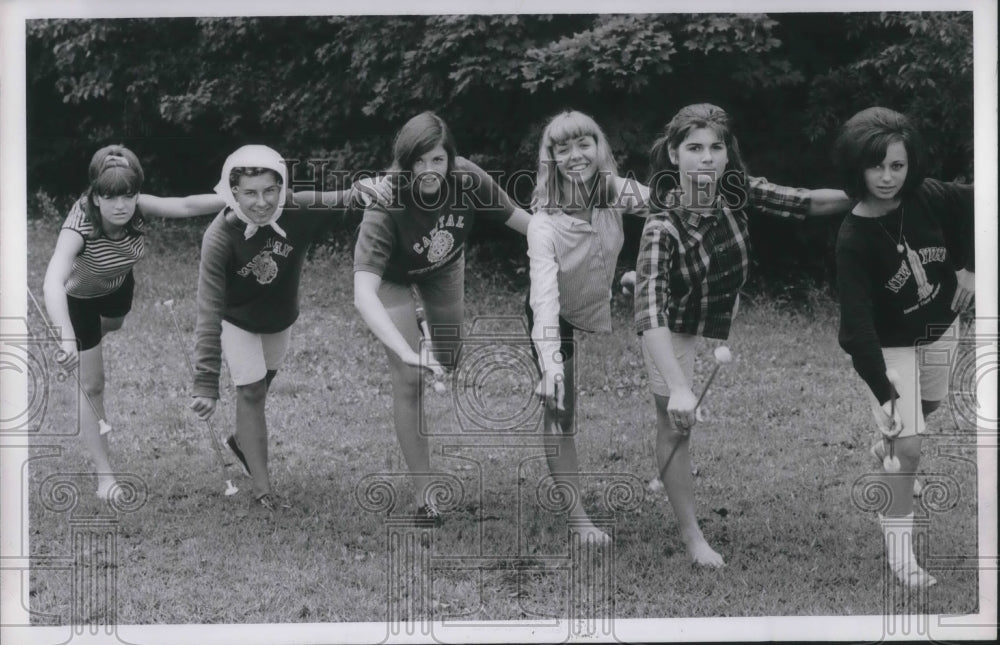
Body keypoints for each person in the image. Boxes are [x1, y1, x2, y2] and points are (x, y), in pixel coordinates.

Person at [634, 103, 851, 567]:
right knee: (674, 422)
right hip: (669, 323)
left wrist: (870, 194)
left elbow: (806, 201)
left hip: (708, 307)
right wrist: (677, 388)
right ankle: (693, 539)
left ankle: (638, 279)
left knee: (678, 416)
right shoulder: (660, 227)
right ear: (674, 155)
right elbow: (650, 316)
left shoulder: (735, 191)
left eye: (716, 148)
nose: (707, 158)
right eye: (694, 148)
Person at [353, 111, 531, 523]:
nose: (428, 171)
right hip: (392, 280)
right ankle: (425, 496)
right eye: (418, 161)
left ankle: (427, 336)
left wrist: (573, 243)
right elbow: (364, 296)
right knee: (411, 377)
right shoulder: (385, 203)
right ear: (404, 161)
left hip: (444, 265)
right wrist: (402, 350)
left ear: (451, 159)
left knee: (448, 359)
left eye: (437, 160)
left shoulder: (468, 179)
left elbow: (525, 222)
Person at [189, 144, 379, 512]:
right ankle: (263, 492)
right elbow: (209, 311)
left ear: (282, 186)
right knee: (252, 392)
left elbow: (349, 198)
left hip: (279, 319)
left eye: (269, 191)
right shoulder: (219, 237)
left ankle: (243, 440)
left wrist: (391, 183)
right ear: (233, 193)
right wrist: (205, 383)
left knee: (262, 386)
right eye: (249, 193)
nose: (261, 202)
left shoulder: (299, 209)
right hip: (237, 319)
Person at [833, 106, 974, 588]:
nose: (888, 177)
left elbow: (981, 203)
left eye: (898, 165)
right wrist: (885, 393)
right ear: (856, 168)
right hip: (890, 346)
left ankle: (885, 443)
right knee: (909, 448)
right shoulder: (854, 239)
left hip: (938, 328)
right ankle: (902, 556)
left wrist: (970, 265)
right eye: (877, 167)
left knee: (929, 405)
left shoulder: (929, 196)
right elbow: (856, 329)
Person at [43, 144, 226, 499]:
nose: (121, 205)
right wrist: (66, 338)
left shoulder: (137, 207)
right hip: (79, 297)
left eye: (128, 195)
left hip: (118, 285)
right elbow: (53, 281)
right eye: (110, 196)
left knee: (114, 325)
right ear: (95, 197)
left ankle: (87, 348)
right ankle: (105, 477)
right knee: (93, 383)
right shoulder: (78, 229)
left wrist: (234, 200)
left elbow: (186, 204)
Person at [526, 110, 649, 543]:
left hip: (592, 300)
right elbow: (543, 301)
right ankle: (579, 521)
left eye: (584, 144)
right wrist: (551, 366)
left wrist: (648, 271)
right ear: (552, 158)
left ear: (599, 148)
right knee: (561, 409)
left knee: (566, 409)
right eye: (563, 149)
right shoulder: (543, 224)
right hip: (554, 313)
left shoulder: (614, 189)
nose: (575, 155)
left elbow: (668, 210)